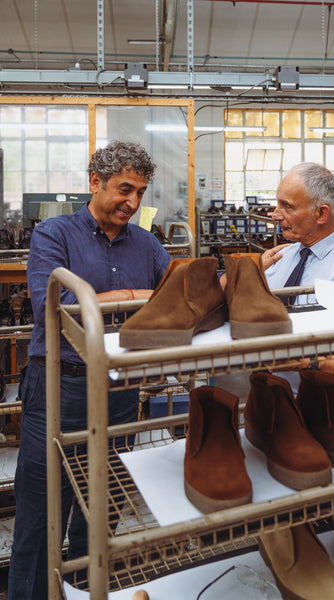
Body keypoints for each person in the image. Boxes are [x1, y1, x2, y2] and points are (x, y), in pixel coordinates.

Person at [8, 140, 171, 600]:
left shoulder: (148, 243)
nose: (133, 203)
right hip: (61, 388)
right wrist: (123, 299)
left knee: (100, 514)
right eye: (124, 189)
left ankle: (85, 592)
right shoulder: (54, 234)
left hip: (120, 391)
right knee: (40, 517)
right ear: (94, 182)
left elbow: (175, 298)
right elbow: (50, 307)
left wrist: (243, 271)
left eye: (140, 192)